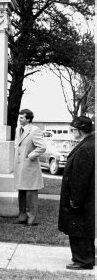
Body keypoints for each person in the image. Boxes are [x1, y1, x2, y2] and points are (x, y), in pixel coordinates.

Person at [58, 116, 95, 270]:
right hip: (88, 198)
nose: (72, 132)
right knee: (85, 227)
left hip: (81, 198)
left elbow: (80, 178)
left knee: (78, 227)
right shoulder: (91, 143)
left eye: (74, 129)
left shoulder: (85, 148)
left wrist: (75, 199)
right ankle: (88, 257)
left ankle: (82, 260)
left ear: (80, 131)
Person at [13, 109, 46, 226]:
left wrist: (30, 156)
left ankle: (31, 219)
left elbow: (42, 147)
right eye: (19, 117)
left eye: (21, 118)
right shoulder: (18, 129)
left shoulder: (35, 130)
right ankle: (22, 217)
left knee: (30, 194)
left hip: (29, 166)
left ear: (28, 119)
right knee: (21, 192)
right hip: (19, 166)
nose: (19, 119)